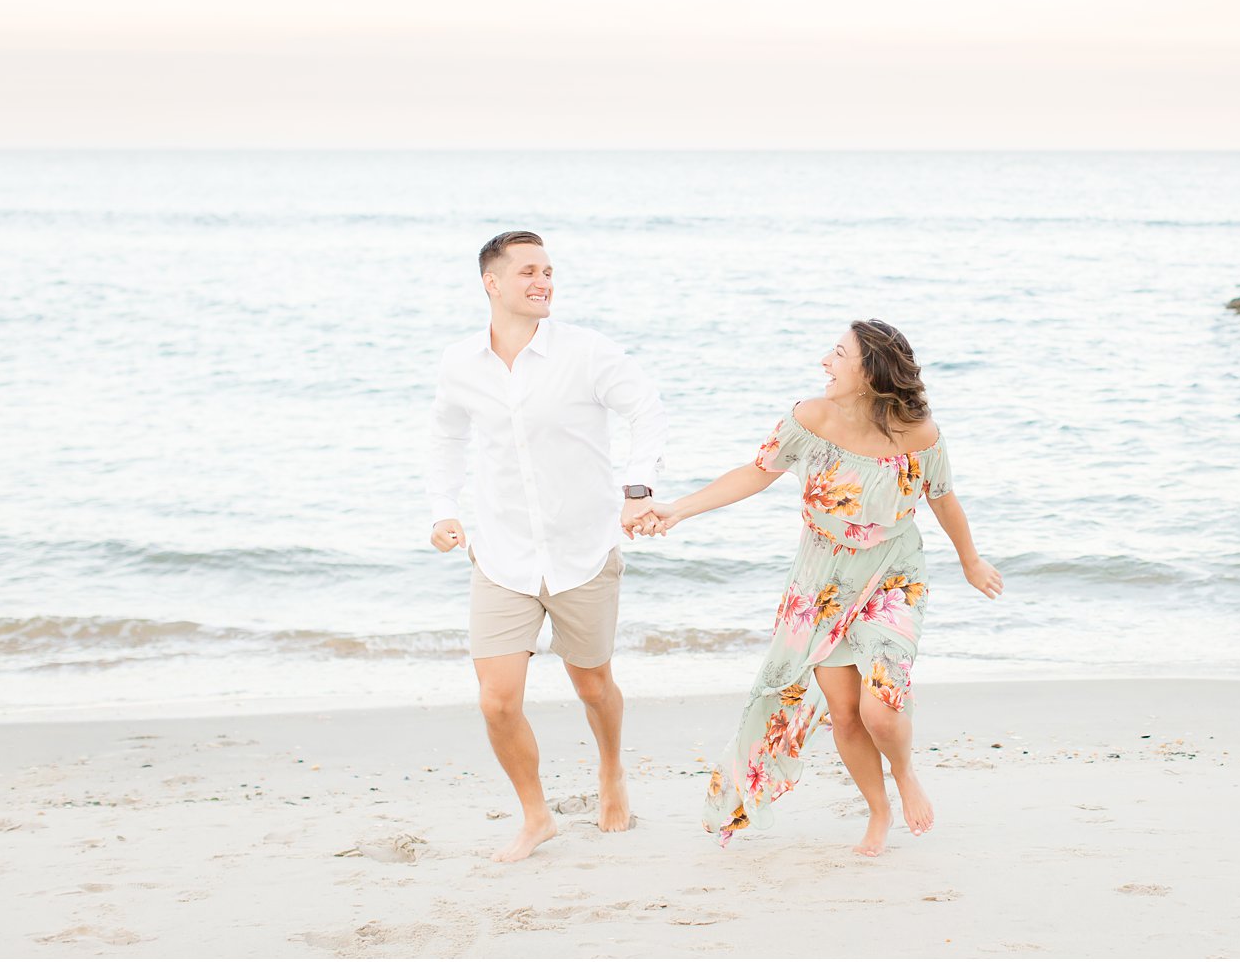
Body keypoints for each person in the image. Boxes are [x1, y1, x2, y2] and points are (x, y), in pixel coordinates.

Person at [651, 319, 1001, 856]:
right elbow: (754, 473)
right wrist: (677, 510)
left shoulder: (920, 431)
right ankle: (878, 811)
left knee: (880, 708)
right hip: (822, 583)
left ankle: (904, 774)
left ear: (870, 372)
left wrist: (970, 561)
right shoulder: (808, 418)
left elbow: (943, 498)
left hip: (892, 575)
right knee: (843, 711)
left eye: (838, 354)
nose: (824, 361)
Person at [426, 230, 666, 863]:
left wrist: (638, 489)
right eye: (530, 271)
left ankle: (611, 771)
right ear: (492, 283)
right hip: (502, 555)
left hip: (582, 550)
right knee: (497, 699)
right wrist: (442, 511)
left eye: (550, 271)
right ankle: (536, 816)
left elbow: (645, 407)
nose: (544, 281)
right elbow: (446, 438)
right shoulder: (460, 364)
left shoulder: (586, 353)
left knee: (592, 686)